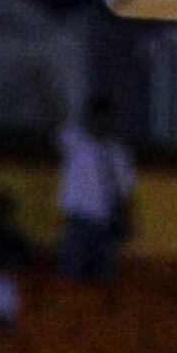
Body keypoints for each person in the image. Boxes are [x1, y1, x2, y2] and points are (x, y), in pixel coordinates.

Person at [56, 99, 136, 283]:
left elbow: (125, 192)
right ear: (90, 119)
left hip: (105, 225)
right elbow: (56, 120)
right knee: (71, 279)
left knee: (103, 280)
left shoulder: (117, 153)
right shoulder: (76, 142)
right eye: (98, 118)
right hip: (77, 222)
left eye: (106, 118)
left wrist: (127, 218)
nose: (102, 123)